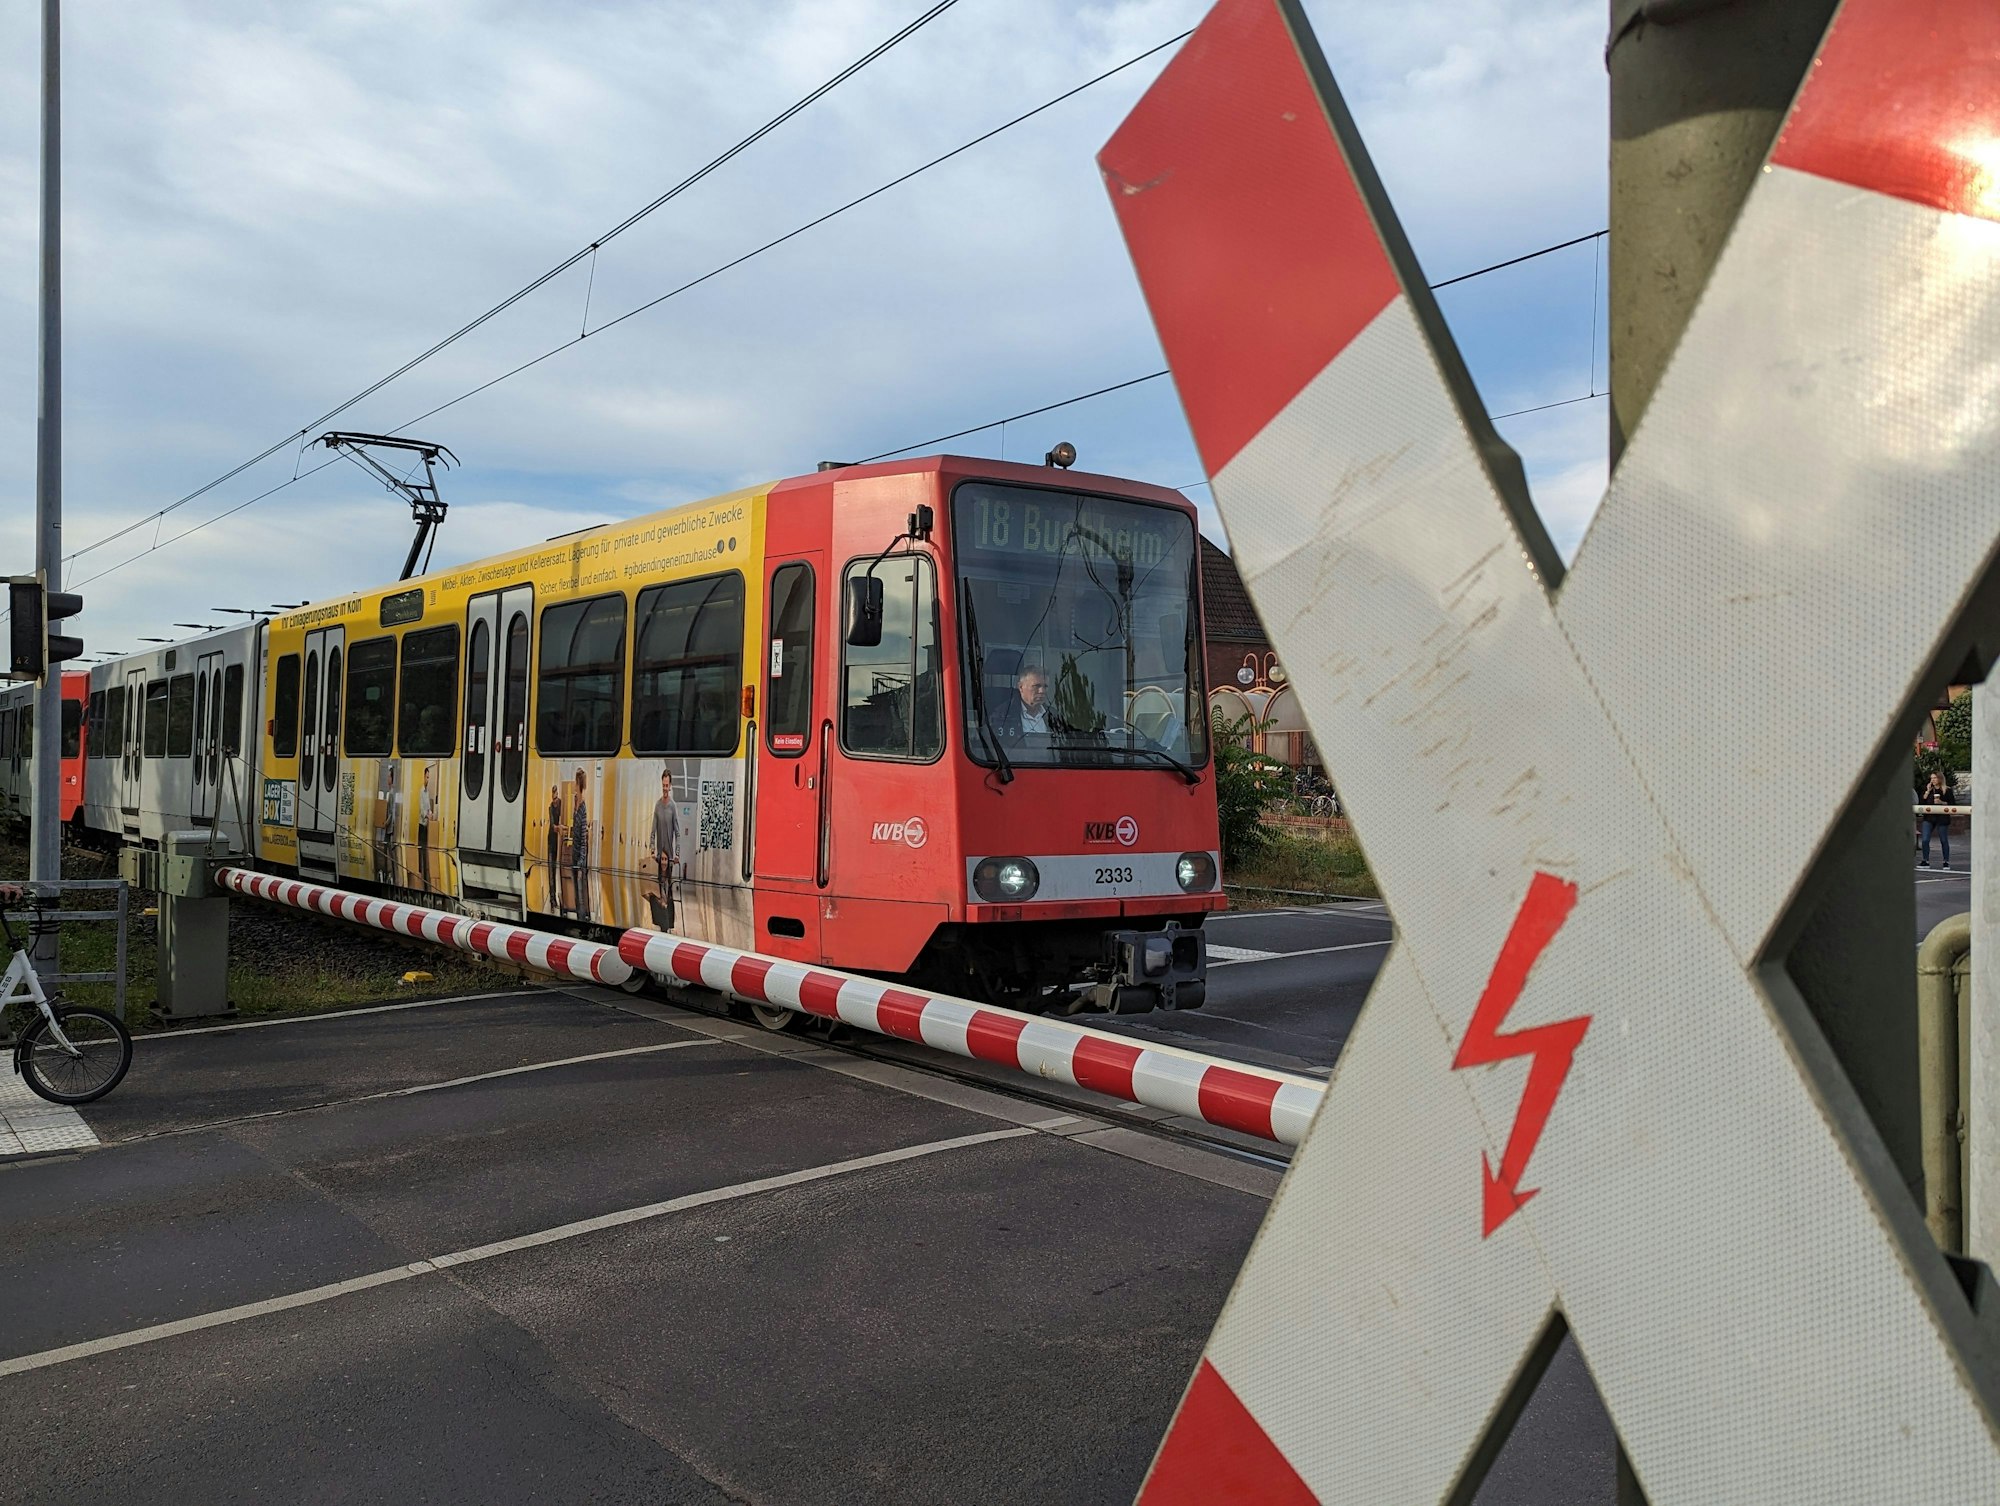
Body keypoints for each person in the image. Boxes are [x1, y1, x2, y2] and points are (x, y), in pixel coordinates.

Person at [992, 663, 1069, 742]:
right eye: (1037, 686)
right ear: (1021, 687)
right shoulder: (1002, 716)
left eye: (1045, 686)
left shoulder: (1054, 716)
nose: (1042, 691)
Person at [648, 768, 681, 931]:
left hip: (670, 856)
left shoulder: (673, 807)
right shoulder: (658, 805)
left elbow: (678, 832)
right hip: (659, 855)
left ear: (671, 786)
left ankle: (668, 923)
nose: (665, 788)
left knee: (667, 888)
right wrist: (652, 849)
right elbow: (653, 830)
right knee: (658, 886)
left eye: (667, 785)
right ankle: (661, 922)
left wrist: (677, 854)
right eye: (663, 785)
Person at [570, 767, 593, 922]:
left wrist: (580, 862)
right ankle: (578, 916)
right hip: (574, 852)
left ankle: (581, 918)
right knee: (575, 892)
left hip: (580, 856)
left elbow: (584, 838)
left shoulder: (583, 806)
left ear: (578, 782)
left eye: (575, 781)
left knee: (580, 890)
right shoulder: (575, 801)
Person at [1920, 770, 1954, 869]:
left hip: (1942, 817)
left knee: (1943, 840)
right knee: (1925, 839)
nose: (1933, 780)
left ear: (1940, 778)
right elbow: (1922, 802)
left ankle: (1946, 861)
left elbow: (1953, 804)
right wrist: (1927, 791)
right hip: (1929, 817)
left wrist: (1942, 802)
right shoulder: (1929, 790)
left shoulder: (1947, 790)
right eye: (1931, 778)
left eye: (1934, 778)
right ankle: (1925, 860)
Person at [375, 761, 400, 885]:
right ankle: (389, 874)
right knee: (388, 850)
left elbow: (391, 812)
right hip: (390, 827)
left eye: (389, 776)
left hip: (389, 828)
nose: (387, 778)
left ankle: (387, 874)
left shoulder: (391, 794)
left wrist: (386, 822)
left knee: (387, 850)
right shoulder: (392, 793)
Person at [416, 764, 438, 892]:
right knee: (421, 851)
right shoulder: (421, 791)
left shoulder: (427, 792)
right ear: (423, 776)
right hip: (422, 825)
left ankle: (425, 877)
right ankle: (421, 878)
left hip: (426, 825)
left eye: (429, 777)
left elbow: (427, 808)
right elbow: (421, 809)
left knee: (425, 852)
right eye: (427, 777)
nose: (428, 780)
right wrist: (427, 815)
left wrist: (431, 814)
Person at [546, 782, 566, 917]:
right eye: (552, 798)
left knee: (560, 869)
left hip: (560, 840)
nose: (554, 801)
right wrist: (558, 827)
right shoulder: (550, 807)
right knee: (551, 869)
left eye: (555, 797)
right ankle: (553, 900)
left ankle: (560, 898)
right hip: (552, 840)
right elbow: (553, 824)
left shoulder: (562, 804)